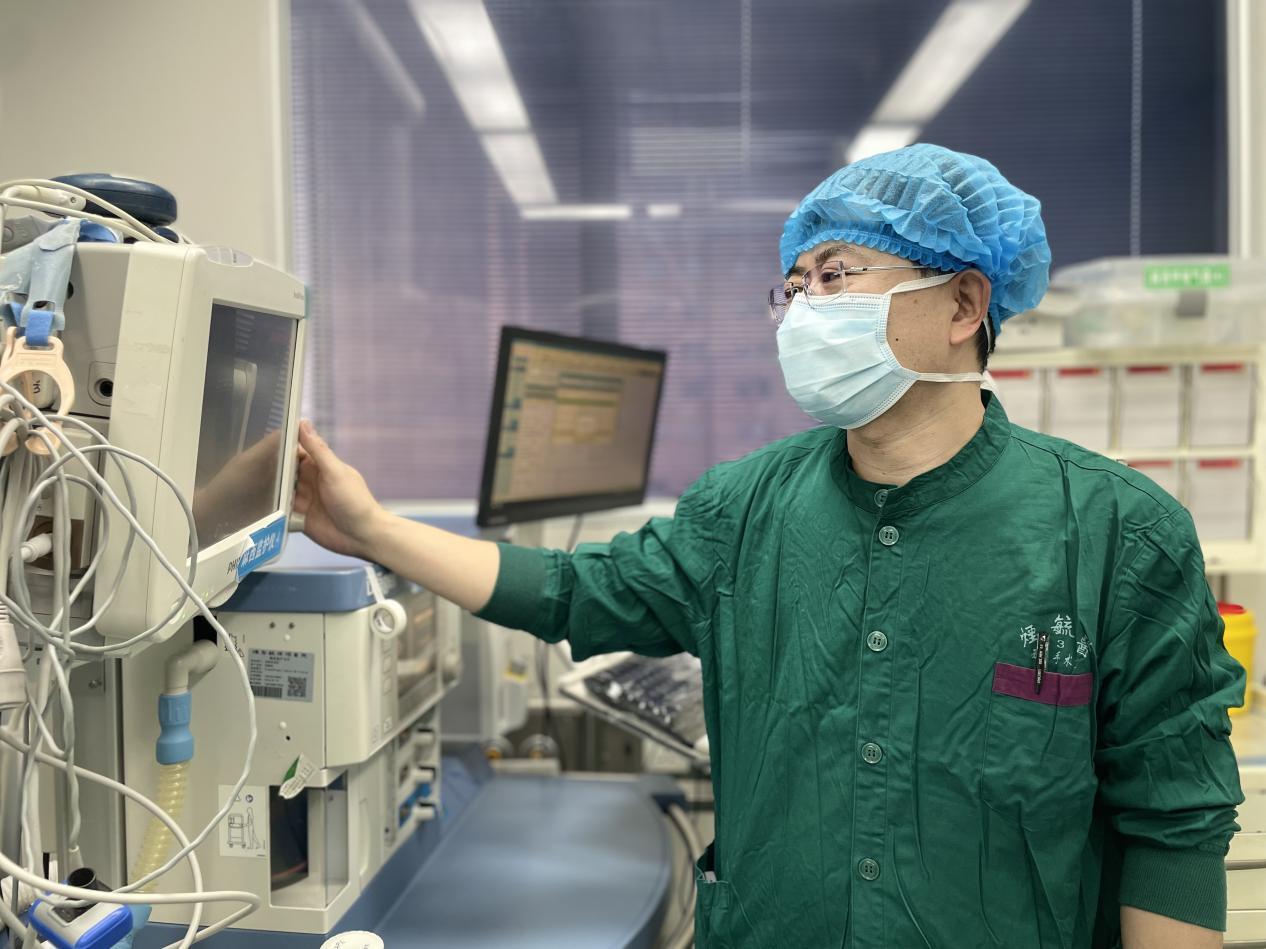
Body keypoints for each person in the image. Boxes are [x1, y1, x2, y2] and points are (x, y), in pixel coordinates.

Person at [293, 144, 1245, 948]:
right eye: (794, 285)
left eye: (836, 274)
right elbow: (574, 589)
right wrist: (371, 528)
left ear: (963, 305)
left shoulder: (1117, 533)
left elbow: (1173, 824)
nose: (805, 307)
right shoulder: (744, 509)